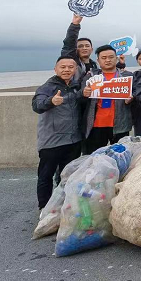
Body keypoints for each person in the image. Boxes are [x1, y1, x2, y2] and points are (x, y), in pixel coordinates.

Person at [31, 57, 86, 208]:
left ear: (75, 70)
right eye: (63, 67)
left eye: (70, 67)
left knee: (67, 176)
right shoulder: (47, 87)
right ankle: (44, 208)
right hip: (51, 140)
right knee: (45, 175)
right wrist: (51, 101)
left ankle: (63, 206)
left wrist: (84, 94)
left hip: (73, 140)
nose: (67, 70)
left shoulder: (75, 86)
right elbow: (37, 105)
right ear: (55, 69)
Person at [80, 45, 134, 153]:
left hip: (120, 124)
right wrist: (83, 93)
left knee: (121, 156)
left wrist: (132, 98)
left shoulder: (127, 76)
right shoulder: (90, 76)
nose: (108, 60)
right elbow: (81, 97)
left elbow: (137, 95)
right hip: (96, 125)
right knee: (94, 157)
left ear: (116, 58)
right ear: (98, 60)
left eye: (111, 57)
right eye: (104, 58)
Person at [60, 14, 98, 79]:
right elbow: (69, 44)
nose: (84, 48)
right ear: (76, 49)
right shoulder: (72, 62)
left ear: (91, 49)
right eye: (80, 46)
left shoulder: (95, 66)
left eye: (87, 46)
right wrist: (75, 24)